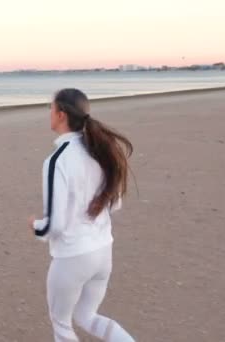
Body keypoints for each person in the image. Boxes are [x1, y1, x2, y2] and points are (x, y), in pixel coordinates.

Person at [29, 88, 136, 342]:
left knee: (62, 325)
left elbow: (54, 226)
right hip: (102, 252)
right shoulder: (100, 152)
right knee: (87, 316)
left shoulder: (58, 160)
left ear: (61, 114)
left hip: (72, 257)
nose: (50, 114)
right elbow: (115, 203)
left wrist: (36, 226)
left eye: (51, 109)